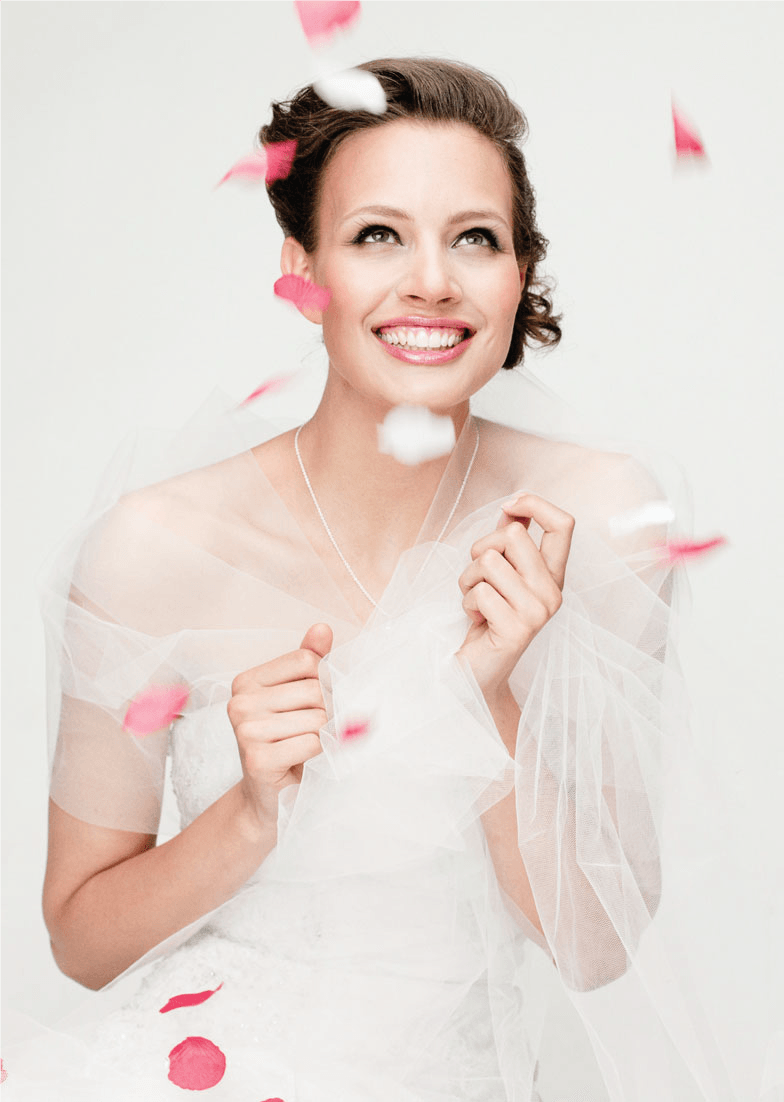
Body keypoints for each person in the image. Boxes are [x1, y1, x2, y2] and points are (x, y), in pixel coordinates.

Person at [0, 58, 739, 1102]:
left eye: (474, 238)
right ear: (303, 270)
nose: (431, 280)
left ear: (519, 272)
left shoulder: (597, 516)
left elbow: (594, 952)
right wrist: (249, 812)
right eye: (377, 235)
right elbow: (82, 941)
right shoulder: (155, 547)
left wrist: (488, 698)